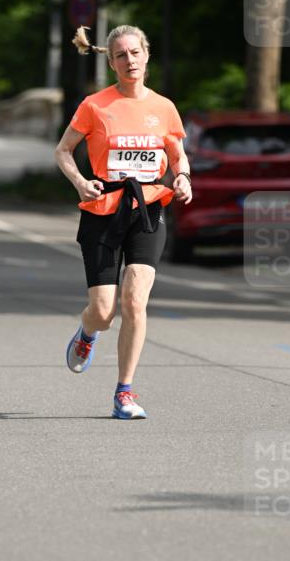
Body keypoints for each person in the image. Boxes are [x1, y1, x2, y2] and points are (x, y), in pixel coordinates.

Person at [55, 24, 192, 420]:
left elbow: (177, 155)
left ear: (146, 56)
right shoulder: (95, 105)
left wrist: (183, 177)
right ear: (111, 63)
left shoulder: (164, 107)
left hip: (148, 208)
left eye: (135, 53)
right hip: (103, 211)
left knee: (135, 300)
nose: (129, 60)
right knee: (103, 311)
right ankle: (87, 333)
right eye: (121, 55)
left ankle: (124, 392)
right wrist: (81, 182)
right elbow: (63, 151)